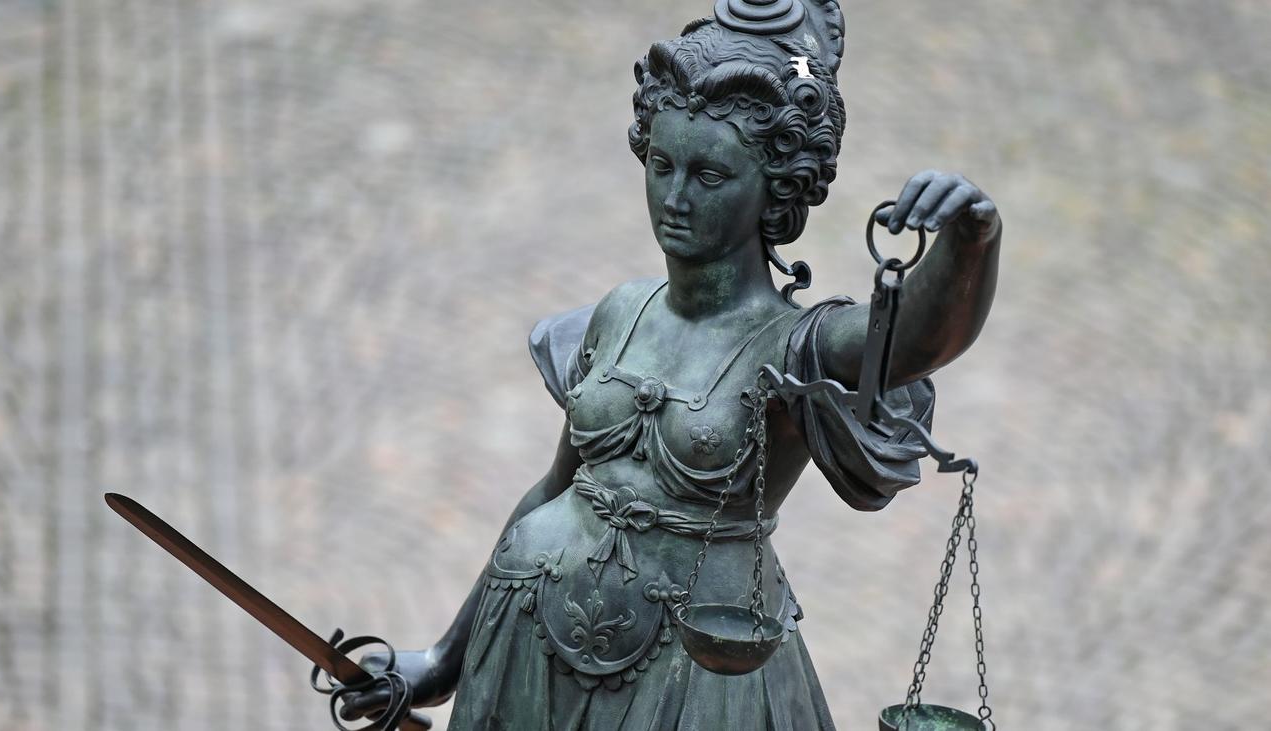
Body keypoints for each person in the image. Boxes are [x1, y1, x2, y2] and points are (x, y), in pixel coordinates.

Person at [341, 1, 1001, 727]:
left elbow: (912, 339)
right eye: (661, 165)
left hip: (700, 680)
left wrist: (972, 238)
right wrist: (443, 659)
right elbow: (556, 489)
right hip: (526, 642)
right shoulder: (621, 311)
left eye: (710, 175)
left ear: (776, 187)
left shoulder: (796, 345)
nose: (675, 198)